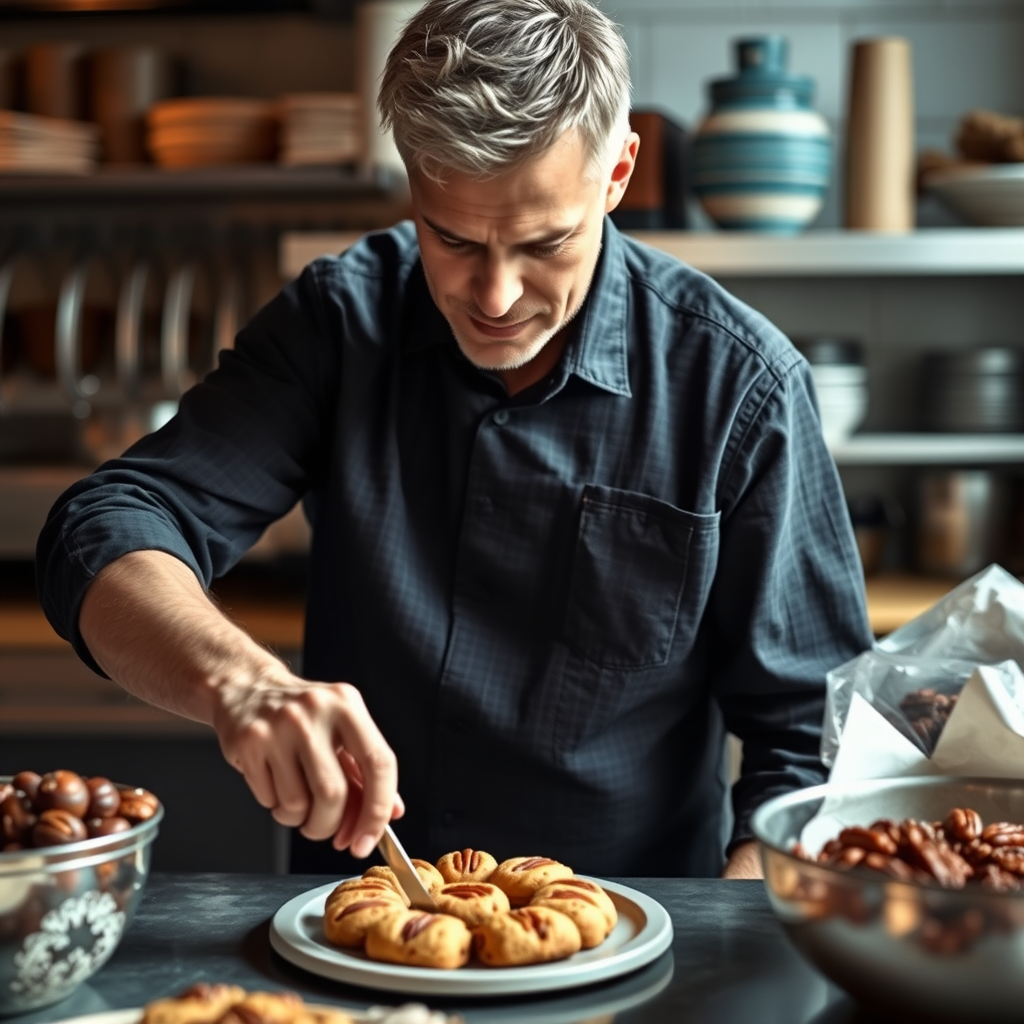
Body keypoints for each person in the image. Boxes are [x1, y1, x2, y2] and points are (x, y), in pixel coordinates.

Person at [36, 0, 873, 879]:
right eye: (453, 238)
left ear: (618, 173)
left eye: (546, 242)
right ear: (413, 179)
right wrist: (244, 684)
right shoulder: (340, 323)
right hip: (352, 929)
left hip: (639, 934)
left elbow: (811, 744)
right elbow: (106, 525)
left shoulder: (741, 386)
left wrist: (729, 934)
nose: (497, 297)